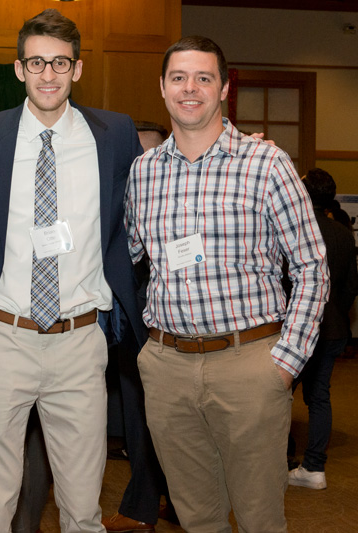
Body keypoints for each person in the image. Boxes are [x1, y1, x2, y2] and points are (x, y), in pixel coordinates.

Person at [125, 35, 329, 532]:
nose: (189, 88)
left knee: (260, 520)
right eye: (179, 77)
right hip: (168, 369)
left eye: (203, 78)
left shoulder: (267, 164)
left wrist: (285, 363)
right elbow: (125, 255)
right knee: (196, 518)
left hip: (250, 367)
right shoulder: (143, 172)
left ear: (223, 89)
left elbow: (312, 265)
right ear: (163, 87)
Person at [0, 9, 146, 532]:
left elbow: (154, 190)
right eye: (36, 62)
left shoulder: (114, 134)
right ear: (18, 69)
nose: (47, 75)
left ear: (77, 69)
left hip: (80, 342)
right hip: (1, 337)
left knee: (83, 510)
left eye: (59, 63)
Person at [101, 120, 174, 533]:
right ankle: (145, 506)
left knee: (163, 422)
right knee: (138, 418)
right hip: (131, 323)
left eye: (149, 155)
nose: (141, 165)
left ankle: (153, 506)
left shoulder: (175, 195)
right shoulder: (115, 201)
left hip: (173, 327)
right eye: (134, 158)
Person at [287, 168, 358, 489]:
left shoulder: (293, 229)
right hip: (332, 328)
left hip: (295, 327)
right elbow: (350, 287)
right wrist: (334, 314)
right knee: (319, 397)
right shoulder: (344, 233)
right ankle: (314, 466)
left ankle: (280, 458)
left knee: (278, 395)